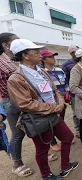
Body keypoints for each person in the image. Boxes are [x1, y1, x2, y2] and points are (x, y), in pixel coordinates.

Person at [7, 39, 78, 180]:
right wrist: (54, 107)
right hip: (37, 119)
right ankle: (46, 175)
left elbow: (54, 90)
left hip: (53, 114)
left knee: (68, 137)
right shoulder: (16, 79)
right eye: (36, 52)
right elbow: (25, 104)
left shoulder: (41, 71)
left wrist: (60, 101)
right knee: (42, 149)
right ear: (25, 56)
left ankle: (65, 166)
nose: (40, 55)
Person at [0, 33, 38, 177]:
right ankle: (16, 163)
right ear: (5, 45)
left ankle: (41, 153)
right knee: (18, 133)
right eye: (16, 41)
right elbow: (18, 73)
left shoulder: (14, 59)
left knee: (35, 125)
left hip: (24, 98)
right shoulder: (3, 60)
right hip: (11, 101)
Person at [41, 49, 70, 152]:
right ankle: (52, 142)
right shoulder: (41, 73)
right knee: (51, 122)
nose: (53, 59)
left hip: (62, 100)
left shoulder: (59, 70)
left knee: (60, 119)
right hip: (50, 102)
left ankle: (62, 137)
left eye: (54, 56)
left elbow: (66, 84)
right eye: (50, 57)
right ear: (44, 60)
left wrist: (67, 94)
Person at [62, 45, 80, 138]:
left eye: (77, 51)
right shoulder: (66, 65)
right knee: (76, 112)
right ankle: (78, 130)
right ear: (71, 53)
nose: (76, 54)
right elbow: (65, 80)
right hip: (73, 93)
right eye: (74, 52)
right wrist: (68, 92)